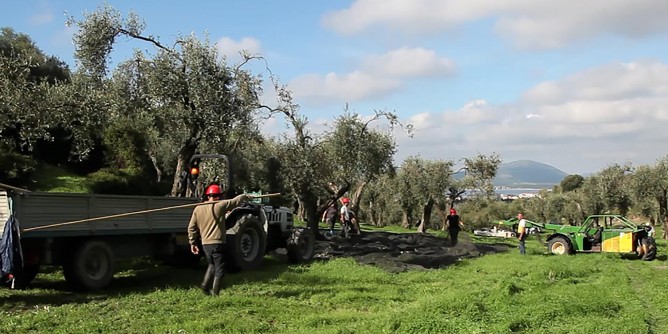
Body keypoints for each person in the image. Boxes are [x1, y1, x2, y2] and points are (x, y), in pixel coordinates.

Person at [187, 184, 248, 296]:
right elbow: (235, 201)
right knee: (220, 270)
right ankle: (215, 294)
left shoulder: (198, 208)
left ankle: (205, 287)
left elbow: (191, 227)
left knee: (211, 264)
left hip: (205, 244)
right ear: (218, 196)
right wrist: (244, 195)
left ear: (208, 196)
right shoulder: (220, 205)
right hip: (218, 243)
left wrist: (192, 242)